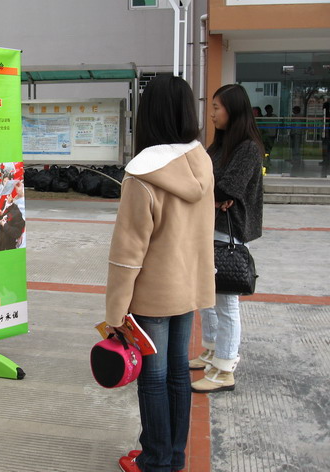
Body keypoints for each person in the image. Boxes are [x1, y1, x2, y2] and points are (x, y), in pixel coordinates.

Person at [104, 75, 215, 472]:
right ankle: (173, 457)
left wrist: (115, 311)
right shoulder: (202, 163)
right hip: (189, 288)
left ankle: (154, 461)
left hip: (152, 294)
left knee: (153, 377)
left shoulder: (143, 175)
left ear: (149, 115)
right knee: (177, 374)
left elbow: (128, 253)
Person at [190, 84, 264, 394]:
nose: (212, 113)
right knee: (206, 296)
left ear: (233, 110)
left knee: (225, 301)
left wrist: (217, 193)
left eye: (217, 107)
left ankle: (224, 368)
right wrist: (214, 194)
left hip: (227, 232)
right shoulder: (219, 146)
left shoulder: (247, 148)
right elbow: (202, 181)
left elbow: (226, 188)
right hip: (208, 226)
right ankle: (211, 350)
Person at [289, 105, 304, 175]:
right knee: (295, 147)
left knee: (296, 147)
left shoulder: (298, 117)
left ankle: (296, 160)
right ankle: (295, 159)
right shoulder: (296, 117)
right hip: (295, 133)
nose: (293, 111)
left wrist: (293, 132)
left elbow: (296, 126)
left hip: (296, 133)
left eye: (293, 110)